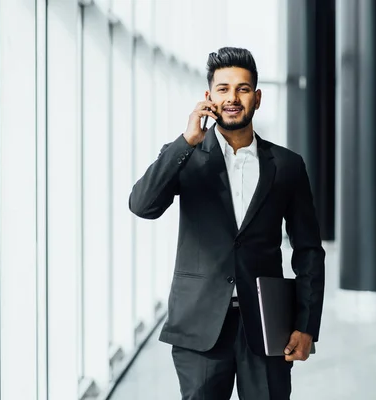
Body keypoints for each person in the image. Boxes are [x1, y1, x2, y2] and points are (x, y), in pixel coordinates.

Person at [129, 47, 325, 400]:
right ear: (208, 97)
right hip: (199, 325)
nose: (232, 98)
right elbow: (143, 205)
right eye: (223, 89)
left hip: (268, 325)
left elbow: (309, 249)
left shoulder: (287, 165)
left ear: (257, 98)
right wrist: (186, 141)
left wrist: (307, 324)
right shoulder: (185, 156)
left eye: (243, 89)